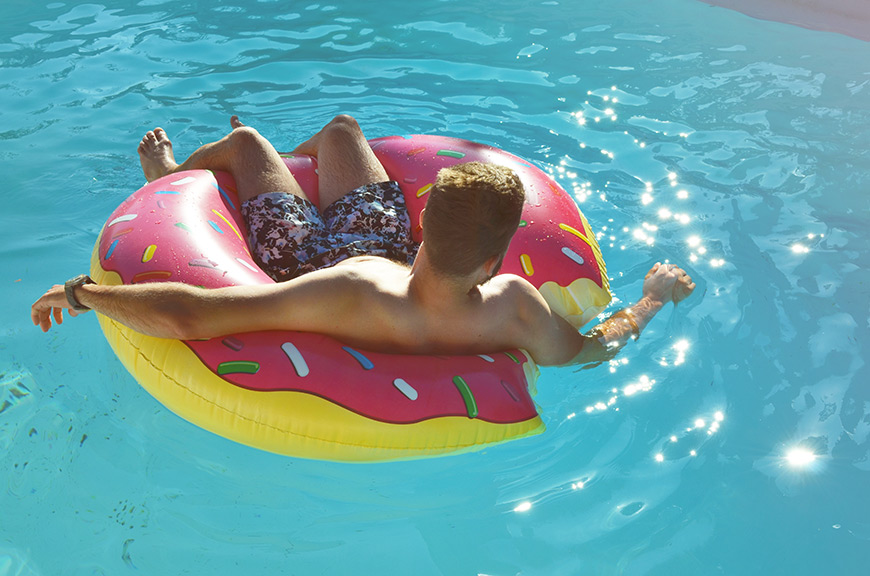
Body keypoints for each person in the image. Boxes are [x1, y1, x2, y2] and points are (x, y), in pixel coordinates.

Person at [31, 115, 695, 366]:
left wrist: (81, 294)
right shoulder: (515, 305)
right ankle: (295, 169)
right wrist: (653, 299)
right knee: (343, 131)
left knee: (244, 144)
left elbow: (189, 315)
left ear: (421, 221)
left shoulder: (349, 292)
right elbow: (592, 349)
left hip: (313, 261)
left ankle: (175, 180)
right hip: (379, 248)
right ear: (494, 259)